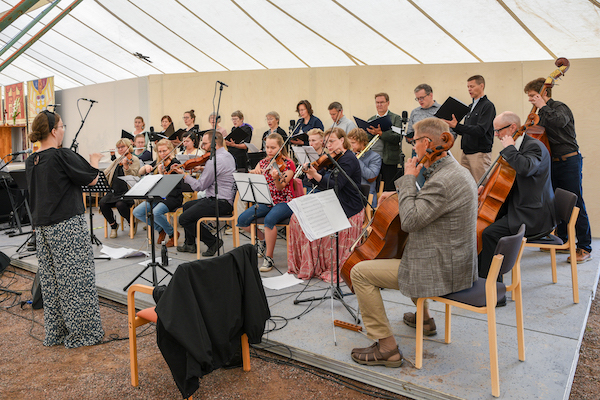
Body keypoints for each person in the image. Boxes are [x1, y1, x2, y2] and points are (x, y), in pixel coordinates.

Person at [349, 117, 477, 367]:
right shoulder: (453, 171)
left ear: (427, 143)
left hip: (441, 270)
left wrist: (408, 179)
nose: (413, 146)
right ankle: (425, 319)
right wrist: (399, 193)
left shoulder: (442, 180)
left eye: (414, 141)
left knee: (360, 273)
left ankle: (386, 347)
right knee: (406, 248)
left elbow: (410, 220)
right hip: (456, 261)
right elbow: (429, 202)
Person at [25, 110, 104, 348]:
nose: (63, 130)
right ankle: (82, 333)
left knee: (52, 283)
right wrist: (95, 160)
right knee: (76, 280)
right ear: (53, 131)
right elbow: (92, 179)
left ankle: (57, 332)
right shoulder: (61, 155)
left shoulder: (32, 160)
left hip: (43, 228)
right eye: (61, 126)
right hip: (67, 226)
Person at [479, 112, 555, 287]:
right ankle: (480, 277)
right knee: (483, 225)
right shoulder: (518, 146)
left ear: (513, 127)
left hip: (532, 213)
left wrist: (509, 149)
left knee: (489, 233)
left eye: (498, 130)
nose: (496, 135)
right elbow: (509, 177)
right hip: (519, 204)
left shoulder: (534, 146)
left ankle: (492, 288)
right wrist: (486, 187)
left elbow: (526, 168)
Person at [525, 78, 592, 263]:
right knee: (557, 203)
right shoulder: (541, 113)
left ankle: (585, 247)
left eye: (532, 96)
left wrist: (542, 106)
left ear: (544, 93)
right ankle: (563, 240)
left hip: (569, 161)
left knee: (576, 204)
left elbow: (560, 121)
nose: (530, 100)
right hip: (553, 162)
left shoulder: (559, 107)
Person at [287, 127, 364, 283]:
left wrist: (315, 174)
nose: (328, 145)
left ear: (342, 140)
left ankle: (319, 264)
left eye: (332, 141)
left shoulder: (348, 159)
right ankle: (308, 264)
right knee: (297, 217)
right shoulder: (332, 158)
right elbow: (318, 182)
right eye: (327, 142)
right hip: (332, 201)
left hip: (348, 206)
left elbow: (335, 185)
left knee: (305, 219)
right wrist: (311, 173)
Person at [237, 133, 295, 272]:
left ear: (280, 147)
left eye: (273, 148)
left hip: (285, 201)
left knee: (269, 221)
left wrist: (275, 178)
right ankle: (262, 240)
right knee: (242, 220)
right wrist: (254, 173)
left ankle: (269, 257)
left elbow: (281, 187)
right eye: (267, 147)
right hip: (266, 200)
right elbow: (252, 178)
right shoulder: (263, 162)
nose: (269, 150)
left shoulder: (288, 164)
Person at [174, 131, 236, 256]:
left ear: (214, 144)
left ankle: (213, 242)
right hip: (225, 200)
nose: (202, 147)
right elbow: (219, 172)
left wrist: (184, 175)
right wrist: (203, 169)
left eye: (205, 144)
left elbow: (200, 186)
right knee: (187, 206)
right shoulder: (227, 155)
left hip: (219, 202)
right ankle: (190, 244)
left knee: (184, 219)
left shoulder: (214, 161)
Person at [443, 75, 496, 183]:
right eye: (468, 87)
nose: (469, 89)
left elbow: (480, 130)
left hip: (479, 154)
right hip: (466, 152)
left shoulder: (487, 106)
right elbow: (466, 131)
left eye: (472, 86)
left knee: (480, 185)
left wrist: (458, 126)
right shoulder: (470, 106)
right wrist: (453, 126)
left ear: (481, 86)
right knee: (466, 184)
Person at [133, 139, 183, 247]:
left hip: (173, 197)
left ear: (170, 150)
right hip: (158, 196)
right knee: (137, 212)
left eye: (164, 151)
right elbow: (140, 172)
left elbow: (169, 185)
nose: (162, 154)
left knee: (156, 212)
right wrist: (145, 167)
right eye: (159, 151)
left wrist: (161, 173)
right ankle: (160, 229)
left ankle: (172, 233)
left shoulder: (175, 164)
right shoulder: (158, 162)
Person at [99, 138, 141, 238]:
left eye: (122, 147)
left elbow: (134, 174)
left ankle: (132, 223)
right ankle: (113, 225)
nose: (120, 149)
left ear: (129, 147)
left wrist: (126, 166)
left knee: (120, 204)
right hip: (115, 192)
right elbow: (106, 172)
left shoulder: (134, 160)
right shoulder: (117, 161)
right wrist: (98, 174)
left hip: (128, 192)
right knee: (102, 203)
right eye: (118, 148)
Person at [367, 93, 403, 191]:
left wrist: (381, 134)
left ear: (388, 103)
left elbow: (398, 138)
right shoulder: (371, 119)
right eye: (377, 102)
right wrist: (371, 133)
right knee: (374, 187)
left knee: (389, 188)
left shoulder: (396, 118)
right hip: (373, 158)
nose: (379, 105)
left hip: (389, 159)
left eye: (382, 102)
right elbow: (366, 139)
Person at [347, 128, 382, 208]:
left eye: (353, 143)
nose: (351, 146)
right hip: (351, 194)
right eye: (349, 143)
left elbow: (371, 177)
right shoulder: (350, 155)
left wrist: (356, 160)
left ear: (362, 142)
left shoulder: (375, 157)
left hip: (367, 197)